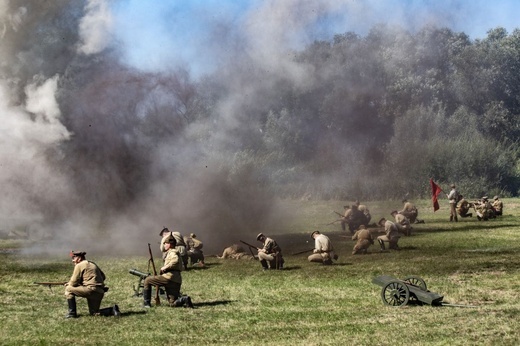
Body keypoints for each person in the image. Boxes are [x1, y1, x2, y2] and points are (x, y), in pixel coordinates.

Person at [143, 232, 193, 308]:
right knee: (172, 303)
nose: (164, 245)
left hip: (169, 277)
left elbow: (175, 261)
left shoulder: (173, 252)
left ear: (169, 244)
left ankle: (146, 304)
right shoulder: (174, 252)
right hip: (176, 280)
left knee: (147, 280)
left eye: (165, 243)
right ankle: (184, 299)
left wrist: (165, 267)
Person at [64, 251, 120, 318]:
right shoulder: (93, 264)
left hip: (90, 290)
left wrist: (69, 284)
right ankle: (112, 310)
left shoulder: (79, 265)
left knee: (68, 289)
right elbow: (103, 277)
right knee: (94, 313)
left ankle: (72, 313)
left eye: (73, 258)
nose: (73, 261)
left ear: (79, 258)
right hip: (99, 292)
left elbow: (73, 282)